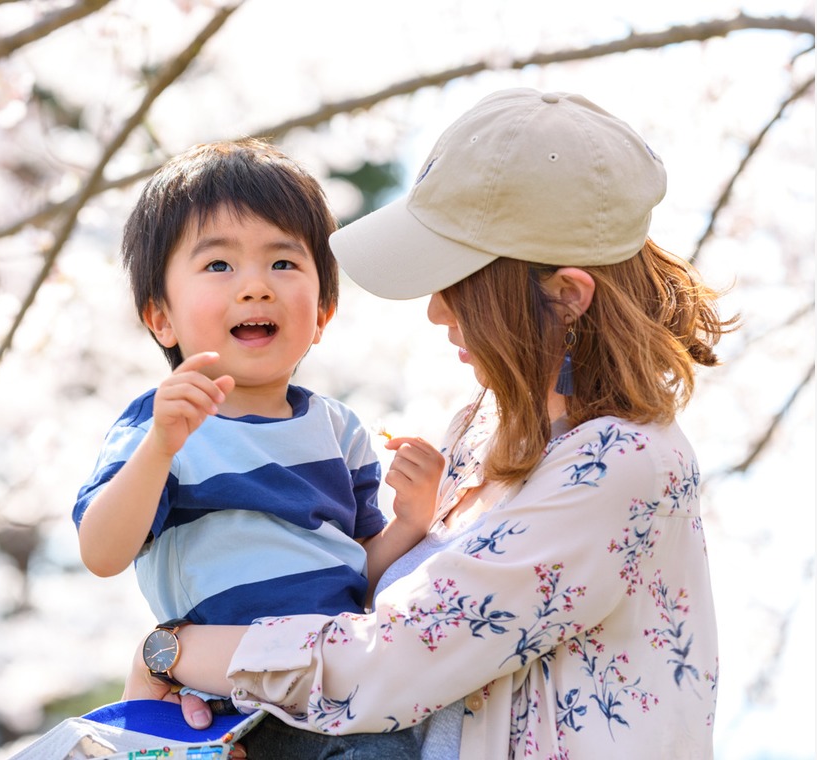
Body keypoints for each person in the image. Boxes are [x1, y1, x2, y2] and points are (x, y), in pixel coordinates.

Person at [123, 88, 735, 759]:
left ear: (566, 297)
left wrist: (173, 650)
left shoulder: (624, 463)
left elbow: (395, 659)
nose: (437, 311)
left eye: (461, 281)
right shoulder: (476, 435)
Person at [73, 139, 441, 756]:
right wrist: (161, 449)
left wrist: (411, 521)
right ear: (161, 317)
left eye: (283, 263)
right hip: (226, 703)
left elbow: (355, 573)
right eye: (219, 266)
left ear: (323, 311)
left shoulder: (338, 429)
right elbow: (103, 552)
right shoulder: (165, 425)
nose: (255, 287)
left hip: (339, 684)